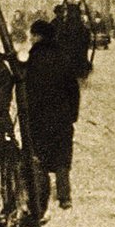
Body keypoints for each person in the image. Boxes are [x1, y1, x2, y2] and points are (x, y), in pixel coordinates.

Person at [24, 19, 80, 212]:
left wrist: (28, 114)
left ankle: (40, 200)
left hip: (39, 117)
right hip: (62, 117)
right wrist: (72, 114)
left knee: (39, 157)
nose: (30, 38)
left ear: (39, 36)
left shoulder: (34, 58)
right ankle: (65, 197)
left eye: (33, 35)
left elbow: (28, 90)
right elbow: (73, 89)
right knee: (62, 157)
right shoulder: (63, 56)